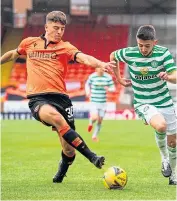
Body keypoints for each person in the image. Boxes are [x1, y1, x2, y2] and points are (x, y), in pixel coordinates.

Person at [1, 11, 117, 183]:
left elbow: (83, 58)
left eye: (62, 29)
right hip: (38, 98)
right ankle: (93, 157)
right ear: (46, 27)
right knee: (56, 118)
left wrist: (100, 64)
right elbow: (12, 54)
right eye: (55, 28)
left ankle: (61, 173)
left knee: (69, 150)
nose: (59, 32)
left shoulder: (66, 47)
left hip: (62, 99)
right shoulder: (29, 43)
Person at [110, 25, 177, 185]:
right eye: (140, 45)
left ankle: (174, 174)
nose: (143, 49)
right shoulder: (129, 53)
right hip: (143, 102)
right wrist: (119, 78)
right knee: (160, 126)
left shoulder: (163, 53)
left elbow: (175, 75)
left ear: (155, 42)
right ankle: (164, 159)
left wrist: (168, 77)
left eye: (147, 46)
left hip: (164, 101)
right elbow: (113, 55)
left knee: (173, 142)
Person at [85, 68, 115, 142]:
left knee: (100, 121)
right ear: (96, 69)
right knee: (95, 117)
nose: (101, 70)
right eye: (100, 69)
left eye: (102, 69)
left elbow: (113, 88)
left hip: (103, 102)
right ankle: (90, 123)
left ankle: (94, 136)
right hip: (94, 101)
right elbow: (87, 84)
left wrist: (108, 89)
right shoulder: (92, 76)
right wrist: (87, 92)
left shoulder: (108, 77)